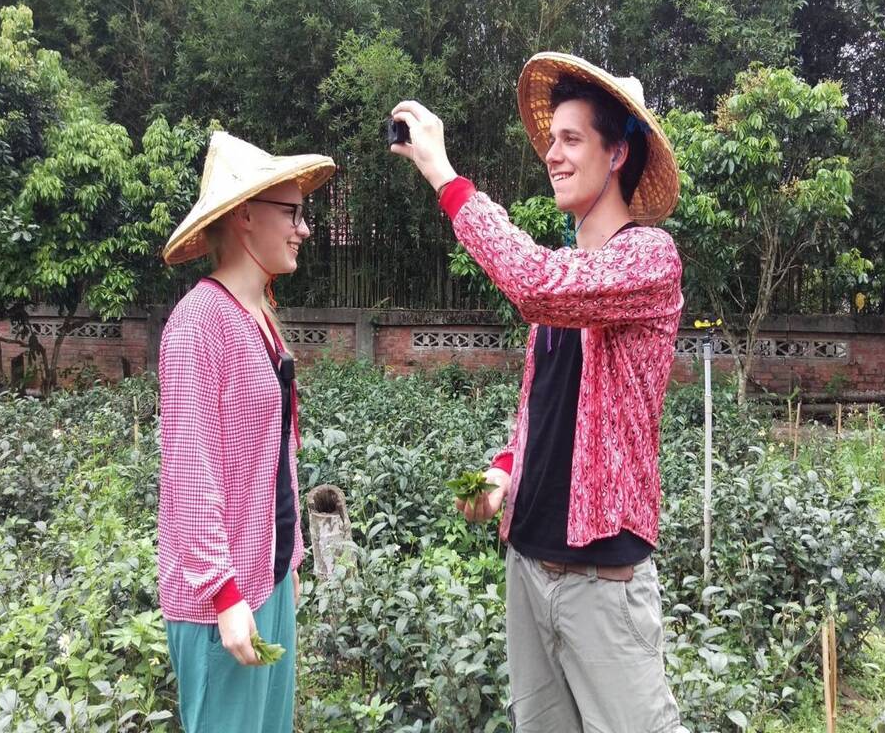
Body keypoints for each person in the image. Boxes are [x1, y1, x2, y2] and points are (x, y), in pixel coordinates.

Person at [390, 52, 685, 732]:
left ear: (617, 154)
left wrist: (444, 175)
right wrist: (503, 471)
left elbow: (533, 285)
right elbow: (544, 413)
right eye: (552, 140)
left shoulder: (649, 259)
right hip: (528, 568)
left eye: (572, 139)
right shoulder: (568, 276)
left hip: (601, 586)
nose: (552, 154)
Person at [156, 131, 335, 733]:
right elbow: (190, 470)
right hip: (223, 600)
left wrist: (290, 559)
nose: (302, 229)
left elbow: (275, 454)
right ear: (245, 216)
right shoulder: (198, 323)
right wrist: (223, 593)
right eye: (292, 213)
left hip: (268, 577)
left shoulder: (260, 317)